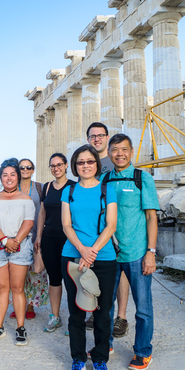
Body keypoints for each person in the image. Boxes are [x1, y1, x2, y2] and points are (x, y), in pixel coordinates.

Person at [61, 145, 117, 370]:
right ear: (75, 166)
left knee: (103, 313)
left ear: (97, 164)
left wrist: (91, 252)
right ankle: (78, 358)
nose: (85, 166)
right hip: (73, 256)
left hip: (103, 257)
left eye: (90, 162)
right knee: (76, 312)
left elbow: (111, 225)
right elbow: (66, 225)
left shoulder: (108, 189)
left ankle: (101, 358)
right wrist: (82, 250)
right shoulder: (69, 190)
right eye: (80, 162)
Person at [106, 133, 160, 370]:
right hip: (109, 252)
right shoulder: (104, 179)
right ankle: (104, 345)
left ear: (131, 152)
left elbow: (151, 217)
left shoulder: (142, 178)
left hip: (137, 252)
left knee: (143, 307)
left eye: (124, 149)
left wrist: (151, 251)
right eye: (115, 150)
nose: (120, 154)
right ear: (109, 153)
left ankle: (142, 352)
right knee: (104, 304)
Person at [0, 159, 36, 346]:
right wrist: (5, 241)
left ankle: (20, 328)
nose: (8, 178)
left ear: (18, 176)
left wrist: (15, 242)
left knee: (18, 288)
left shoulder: (26, 199)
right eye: (5, 175)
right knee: (2, 288)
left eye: (12, 174)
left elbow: (28, 222)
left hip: (20, 246)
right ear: (0, 178)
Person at [85, 121, 115, 332]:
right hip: (92, 229)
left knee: (117, 275)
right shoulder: (86, 163)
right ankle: (93, 313)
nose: (97, 139)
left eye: (101, 135)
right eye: (93, 136)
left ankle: (120, 316)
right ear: (88, 139)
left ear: (107, 137)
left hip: (114, 227)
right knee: (92, 273)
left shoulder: (114, 162)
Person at [34, 153, 70, 333]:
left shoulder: (74, 186)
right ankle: (55, 317)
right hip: (49, 238)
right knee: (54, 279)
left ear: (66, 166)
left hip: (69, 239)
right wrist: (39, 236)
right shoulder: (47, 187)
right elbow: (42, 214)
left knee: (73, 280)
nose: (56, 168)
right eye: (52, 165)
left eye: (59, 165)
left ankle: (75, 320)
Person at [10, 158, 47, 321]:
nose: (25, 169)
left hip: (34, 235)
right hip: (15, 237)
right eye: (22, 167)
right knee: (16, 273)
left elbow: (44, 212)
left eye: (29, 167)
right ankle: (18, 305)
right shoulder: (12, 187)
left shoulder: (39, 188)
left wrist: (41, 235)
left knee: (34, 272)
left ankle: (31, 304)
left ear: (33, 170)